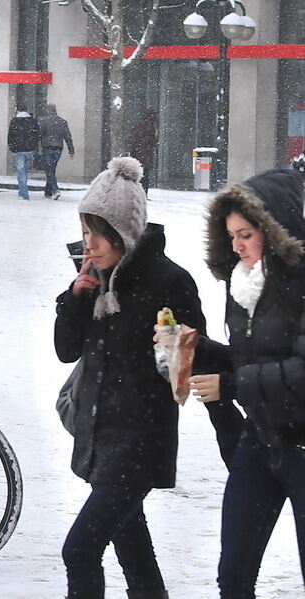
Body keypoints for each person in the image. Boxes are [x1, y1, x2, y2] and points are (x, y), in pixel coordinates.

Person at [54, 156, 205, 599]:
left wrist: (172, 346)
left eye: (98, 234)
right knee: (134, 550)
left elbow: (185, 369)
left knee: (79, 550)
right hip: (103, 435)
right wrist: (76, 299)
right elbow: (66, 351)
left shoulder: (170, 281)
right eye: (85, 232)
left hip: (140, 440)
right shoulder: (96, 278)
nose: (89, 244)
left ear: (125, 231)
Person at [184, 168, 305, 596]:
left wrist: (231, 386)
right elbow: (247, 359)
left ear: (275, 231)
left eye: (246, 234)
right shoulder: (243, 287)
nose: (237, 245)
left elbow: (299, 372)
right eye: (231, 235)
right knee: (233, 577)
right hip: (260, 441)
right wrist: (196, 347)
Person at [38, 103, 75, 200]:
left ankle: (55, 190)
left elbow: (40, 134)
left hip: (48, 147)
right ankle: (48, 191)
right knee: (51, 169)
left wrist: (35, 145)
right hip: (58, 147)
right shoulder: (62, 122)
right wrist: (71, 150)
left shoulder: (43, 120)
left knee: (49, 170)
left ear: (47, 110)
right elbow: (68, 137)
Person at [7, 103, 40, 200]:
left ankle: (23, 192)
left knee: (21, 171)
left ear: (18, 110)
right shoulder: (33, 121)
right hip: (29, 150)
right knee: (25, 171)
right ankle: (23, 190)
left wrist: (12, 148)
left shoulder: (15, 121)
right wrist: (33, 146)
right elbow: (36, 135)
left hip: (19, 150)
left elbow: (11, 136)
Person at [129, 108, 158, 193]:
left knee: (141, 174)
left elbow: (135, 139)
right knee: (144, 175)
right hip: (144, 153)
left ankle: (140, 192)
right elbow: (148, 139)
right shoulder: (149, 125)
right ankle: (143, 192)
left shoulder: (140, 124)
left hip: (139, 153)